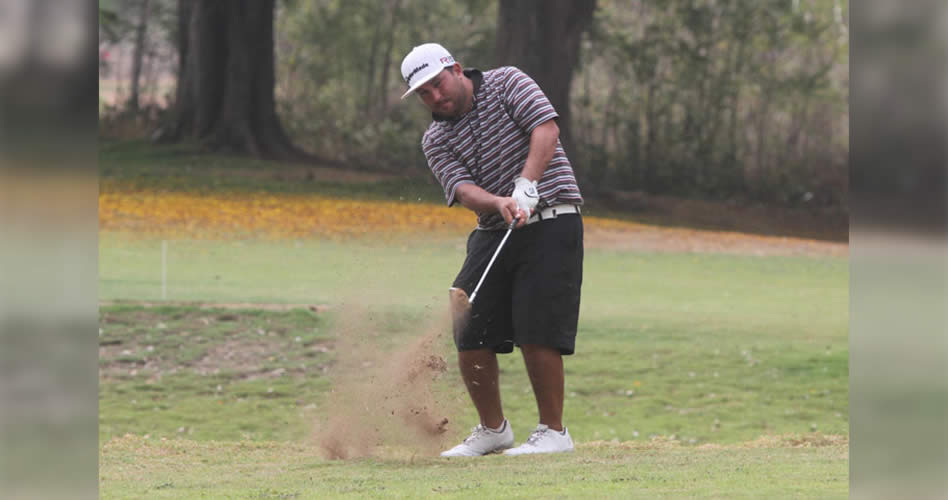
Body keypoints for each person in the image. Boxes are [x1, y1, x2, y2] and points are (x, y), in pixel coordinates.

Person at [399, 43, 584, 457]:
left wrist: (526, 184)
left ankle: (554, 432)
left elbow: (546, 129)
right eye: (424, 94)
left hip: (552, 215)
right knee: (466, 317)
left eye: (437, 85)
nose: (435, 97)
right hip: (494, 226)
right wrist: (500, 203)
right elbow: (462, 190)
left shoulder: (507, 82)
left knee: (536, 325)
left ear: (456, 70)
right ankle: (493, 429)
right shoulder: (435, 138)